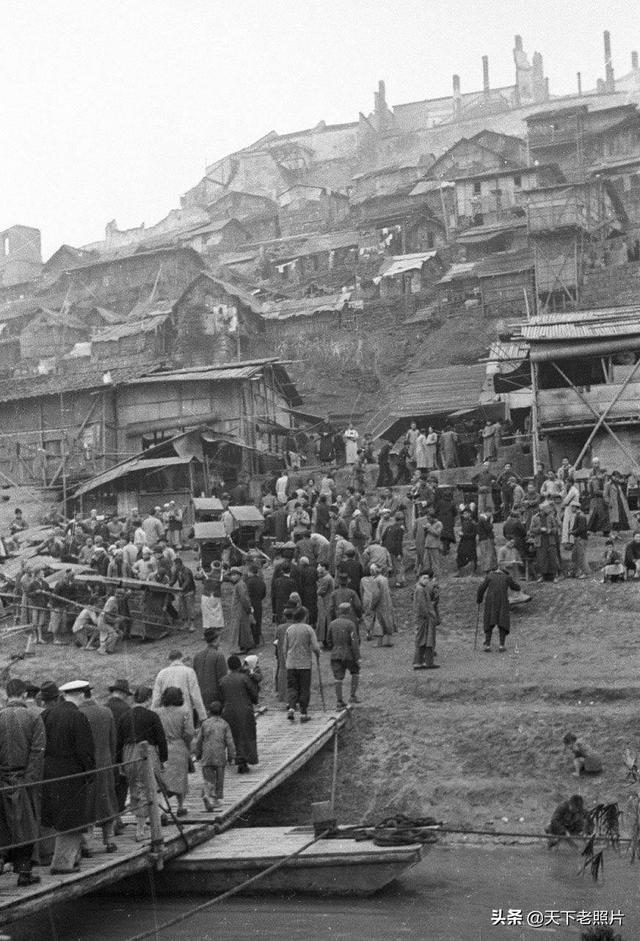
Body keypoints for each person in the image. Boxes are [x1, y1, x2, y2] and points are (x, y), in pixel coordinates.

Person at [42, 680, 96, 874]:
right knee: (72, 819)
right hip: (72, 774)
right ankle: (62, 863)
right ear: (81, 694)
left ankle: (66, 858)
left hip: (49, 772)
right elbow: (85, 751)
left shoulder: (47, 714)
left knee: (58, 817)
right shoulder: (77, 716)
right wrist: (90, 772)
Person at [0, 678, 45, 886]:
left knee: (3, 826)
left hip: (2, 781)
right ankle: (24, 873)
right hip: (24, 780)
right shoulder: (33, 717)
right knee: (26, 826)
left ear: (6, 695)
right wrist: (30, 780)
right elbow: (37, 752)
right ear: (26, 695)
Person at [117, 686, 168, 842]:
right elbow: (161, 739)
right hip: (147, 753)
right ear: (148, 699)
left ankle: (150, 821)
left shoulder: (124, 717)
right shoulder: (152, 716)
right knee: (149, 788)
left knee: (136, 788)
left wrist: (119, 763)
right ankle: (142, 828)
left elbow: (118, 742)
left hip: (128, 755)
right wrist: (163, 759)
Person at [79, 686, 119, 853]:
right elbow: (113, 741)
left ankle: (87, 844)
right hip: (105, 763)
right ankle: (109, 840)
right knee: (106, 800)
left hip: (85, 766)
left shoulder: (78, 714)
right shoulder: (106, 712)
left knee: (86, 803)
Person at [154, 686, 194, 817]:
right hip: (179, 747)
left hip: (161, 748)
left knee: (162, 779)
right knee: (180, 778)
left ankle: (163, 809)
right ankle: (181, 806)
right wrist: (186, 743)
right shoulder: (185, 711)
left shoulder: (157, 712)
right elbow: (189, 732)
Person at [193, 701, 236, 812]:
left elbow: (199, 741)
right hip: (220, 756)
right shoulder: (225, 724)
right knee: (219, 779)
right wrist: (231, 757)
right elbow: (230, 742)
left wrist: (198, 754)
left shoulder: (205, 724)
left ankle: (207, 796)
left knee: (208, 778)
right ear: (222, 712)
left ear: (209, 712)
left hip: (207, 756)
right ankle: (216, 799)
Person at [219, 655, 259, 773]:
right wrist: (254, 700)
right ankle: (246, 760)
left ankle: (237, 758)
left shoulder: (223, 680)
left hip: (229, 712)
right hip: (245, 710)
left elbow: (221, 698)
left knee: (234, 736)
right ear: (239, 665)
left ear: (229, 666)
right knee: (248, 735)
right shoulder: (244, 678)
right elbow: (253, 694)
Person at [284, 606, 321, 722]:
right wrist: (318, 653)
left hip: (291, 663)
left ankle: (291, 707)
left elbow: (284, 648)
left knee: (292, 687)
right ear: (305, 617)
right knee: (304, 688)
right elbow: (315, 647)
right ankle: (303, 713)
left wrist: (287, 660)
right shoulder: (308, 629)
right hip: (304, 664)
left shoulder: (289, 629)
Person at [106, 679, 133, 834]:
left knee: (109, 787)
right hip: (121, 753)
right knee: (121, 787)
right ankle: (118, 818)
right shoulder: (127, 709)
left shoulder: (104, 707)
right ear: (123, 693)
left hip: (106, 754)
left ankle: (110, 818)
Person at [151, 650, 207, 725]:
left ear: (169, 660)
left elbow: (156, 698)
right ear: (181, 658)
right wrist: (203, 716)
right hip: (186, 713)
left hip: (167, 715)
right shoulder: (189, 672)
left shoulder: (161, 674)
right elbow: (196, 696)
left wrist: (152, 715)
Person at [476, 566, 521, 653]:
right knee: (502, 622)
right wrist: (514, 582)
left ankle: (487, 645)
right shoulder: (507, 577)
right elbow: (516, 587)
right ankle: (501, 645)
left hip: (491, 603)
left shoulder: (489, 576)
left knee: (489, 622)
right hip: (502, 602)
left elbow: (481, 589)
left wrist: (479, 600)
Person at [327, 603, 361, 709]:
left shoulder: (332, 624)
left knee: (338, 677)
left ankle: (339, 700)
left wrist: (334, 647)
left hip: (335, 653)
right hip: (348, 653)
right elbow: (354, 642)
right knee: (355, 672)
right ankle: (352, 695)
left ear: (339, 611)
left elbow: (328, 640)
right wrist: (357, 657)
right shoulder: (351, 624)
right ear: (349, 611)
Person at [193, 628, 228, 708]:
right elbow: (223, 679)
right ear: (216, 639)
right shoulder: (219, 656)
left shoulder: (197, 656)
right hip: (215, 697)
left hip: (200, 695)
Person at [413, 570, 439, 670]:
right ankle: (419, 663)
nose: (426, 580)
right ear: (419, 578)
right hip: (424, 619)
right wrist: (428, 616)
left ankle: (427, 662)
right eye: (424, 578)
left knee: (427, 640)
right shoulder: (420, 589)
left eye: (427, 578)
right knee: (422, 640)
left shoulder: (422, 588)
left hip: (426, 618)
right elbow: (422, 606)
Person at [227, 567, 254, 654]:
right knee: (240, 629)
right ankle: (242, 646)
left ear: (239, 575)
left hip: (240, 610)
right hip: (238, 610)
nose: (233, 577)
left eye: (235, 574)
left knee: (241, 629)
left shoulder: (240, 585)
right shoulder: (238, 584)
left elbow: (244, 598)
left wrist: (248, 609)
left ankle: (244, 647)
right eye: (232, 575)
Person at [245, 563, 266, 648]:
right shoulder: (261, 581)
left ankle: (250, 641)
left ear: (250, 572)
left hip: (250, 602)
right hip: (258, 603)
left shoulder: (247, 581)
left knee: (250, 622)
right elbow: (264, 594)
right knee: (257, 621)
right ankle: (257, 640)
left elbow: (245, 594)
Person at [570, 506, 591, 578]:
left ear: (575, 507)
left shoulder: (581, 516)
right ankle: (575, 571)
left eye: (572, 507)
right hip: (579, 538)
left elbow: (581, 528)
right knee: (575, 555)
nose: (571, 509)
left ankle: (586, 572)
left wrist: (572, 532)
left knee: (582, 556)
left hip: (581, 538)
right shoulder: (579, 515)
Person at [456, 509, 478, 576]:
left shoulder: (473, 523)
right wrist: (460, 534)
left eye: (466, 513)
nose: (464, 515)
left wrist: (464, 535)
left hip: (470, 543)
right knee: (459, 555)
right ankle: (460, 572)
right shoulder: (464, 522)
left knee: (471, 557)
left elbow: (474, 535)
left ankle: (472, 572)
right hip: (463, 542)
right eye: (464, 514)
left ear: (469, 514)